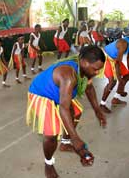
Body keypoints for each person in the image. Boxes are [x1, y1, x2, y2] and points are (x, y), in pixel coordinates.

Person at [26, 45, 106, 178]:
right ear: (85, 62)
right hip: (42, 94)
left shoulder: (85, 69)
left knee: (76, 113)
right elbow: (64, 108)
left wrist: (97, 110)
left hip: (61, 94)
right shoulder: (69, 76)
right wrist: (76, 140)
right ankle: (48, 163)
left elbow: (89, 88)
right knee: (51, 134)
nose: (97, 73)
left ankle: (64, 143)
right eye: (96, 69)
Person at [99, 37, 129, 113]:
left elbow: (128, 58)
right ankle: (102, 105)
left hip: (114, 59)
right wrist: (120, 81)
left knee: (127, 75)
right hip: (105, 57)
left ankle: (116, 98)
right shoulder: (123, 43)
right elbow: (118, 63)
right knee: (113, 81)